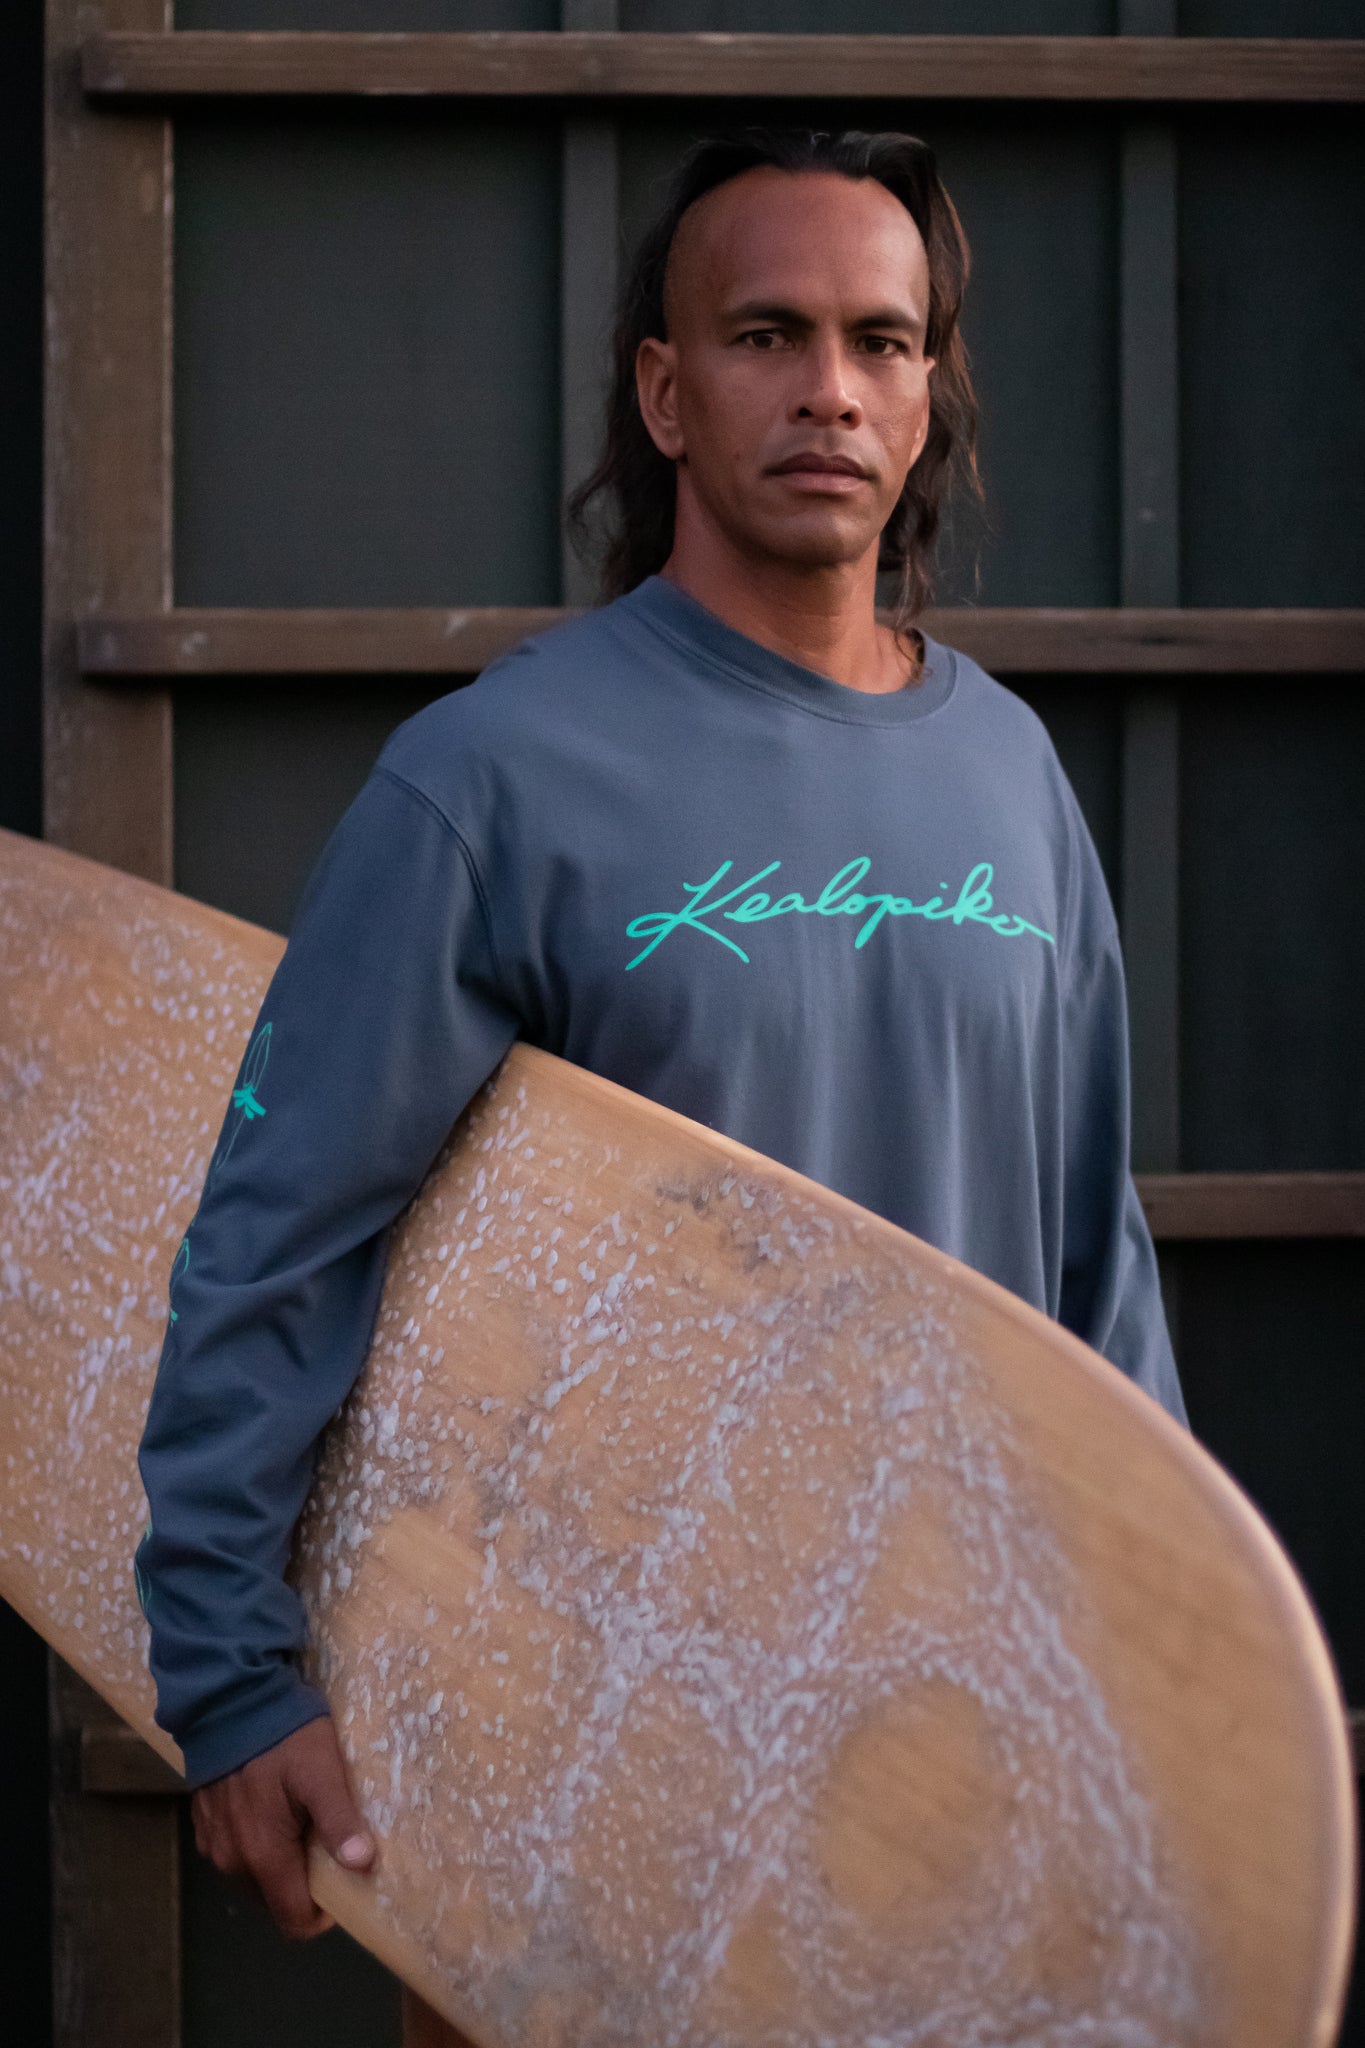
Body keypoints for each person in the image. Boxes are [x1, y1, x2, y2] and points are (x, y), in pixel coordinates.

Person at [136, 127, 1186, 1941]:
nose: (828, 389)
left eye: (879, 341)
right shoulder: (496, 775)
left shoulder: (1010, 775)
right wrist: (231, 1677)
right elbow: (279, 1240)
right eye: (766, 335)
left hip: (952, 1763)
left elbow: (1095, 1264)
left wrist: (1166, 1653)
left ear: (924, 396)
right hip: (581, 1763)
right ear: (666, 392)